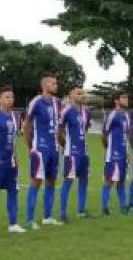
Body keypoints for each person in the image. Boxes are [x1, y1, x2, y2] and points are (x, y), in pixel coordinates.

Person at [0, 86, 26, 237]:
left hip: (11, 163)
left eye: (12, 97)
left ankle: (13, 224)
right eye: (7, 97)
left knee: (13, 193)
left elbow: (14, 139)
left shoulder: (15, 116)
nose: (10, 99)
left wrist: (15, 158)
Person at [24, 73, 62, 229]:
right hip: (40, 149)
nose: (56, 85)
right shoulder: (36, 102)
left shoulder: (57, 103)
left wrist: (61, 143)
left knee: (51, 181)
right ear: (45, 85)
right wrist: (29, 147)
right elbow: (26, 125)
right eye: (53, 83)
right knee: (36, 182)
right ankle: (30, 219)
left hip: (54, 149)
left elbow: (58, 126)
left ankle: (47, 217)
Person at [59, 85, 91, 221]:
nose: (81, 96)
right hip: (71, 152)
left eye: (83, 93)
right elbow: (59, 128)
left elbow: (85, 128)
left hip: (84, 151)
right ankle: (63, 213)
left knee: (84, 180)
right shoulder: (67, 110)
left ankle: (81, 211)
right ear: (71, 95)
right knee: (69, 181)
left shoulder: (86, 111)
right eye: (78, 93)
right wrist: (65, 144)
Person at [102, 90, 130, 215]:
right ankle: (105, 208)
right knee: (110, 180)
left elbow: (126, 135)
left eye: (126, 97)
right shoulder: (112, 115)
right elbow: (104, 133)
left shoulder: (127, 115)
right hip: (113, 153)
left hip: (124, 152)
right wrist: (109, 148)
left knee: (122, 181)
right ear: (116, 101)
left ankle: (123, 207)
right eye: (123, 97)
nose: (126, 100)